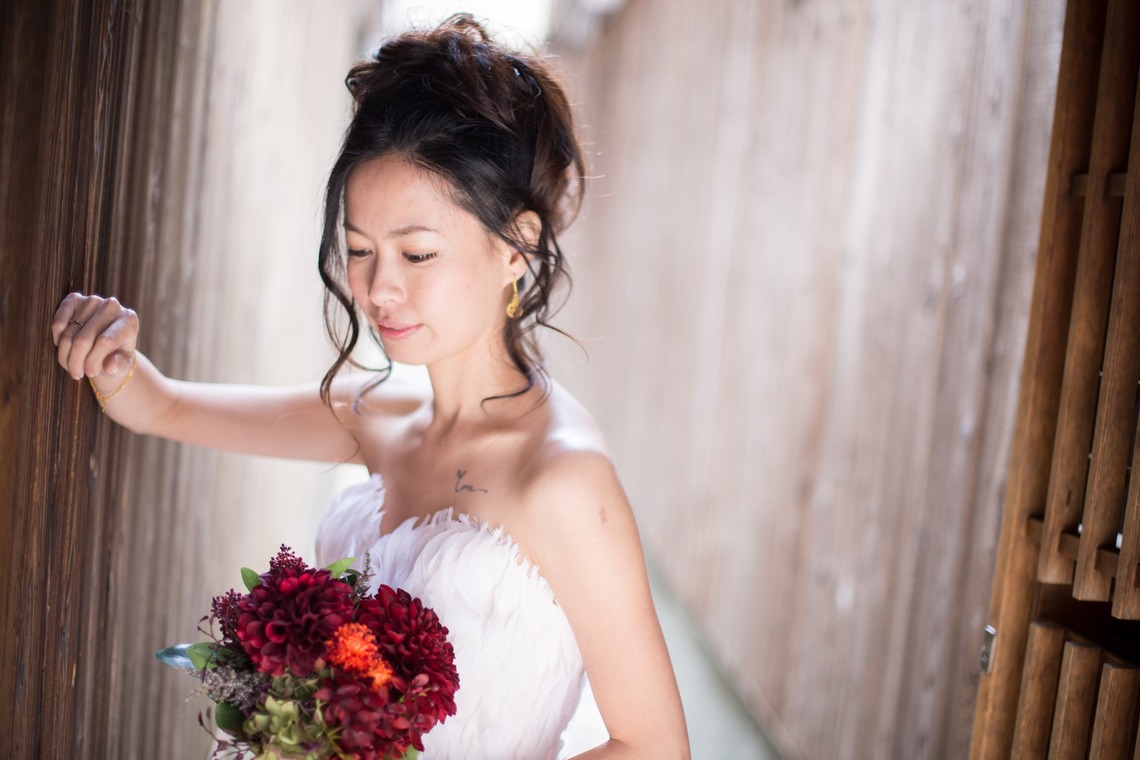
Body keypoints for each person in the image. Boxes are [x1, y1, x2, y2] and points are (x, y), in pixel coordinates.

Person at [50, 14, 689, 760]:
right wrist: (111, 355)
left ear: (519, 247)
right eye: (358, 250)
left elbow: (653, 746)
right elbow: (162, 405)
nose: (379, 288)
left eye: (417, 255)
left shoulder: (563, 478)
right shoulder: (379, 414)